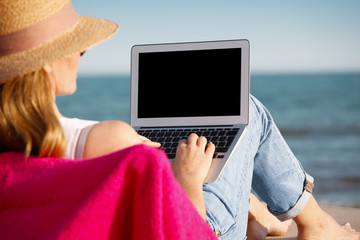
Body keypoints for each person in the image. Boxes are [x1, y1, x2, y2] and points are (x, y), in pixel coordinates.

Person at [0, 1, 359, 239]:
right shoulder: (106, 141)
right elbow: (184, 232)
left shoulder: (19, 159)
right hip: (201, 227)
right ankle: (316, 224)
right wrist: (187, 181)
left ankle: (251, 207)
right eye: (74, 43)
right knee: (246, 110)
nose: (82, 51)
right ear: (46, 61)